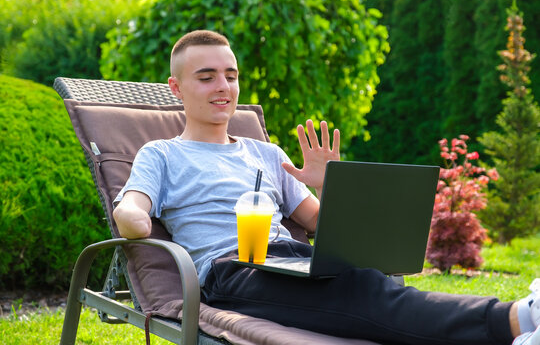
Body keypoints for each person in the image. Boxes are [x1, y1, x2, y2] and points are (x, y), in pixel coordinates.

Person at [113, 30, 540, 345]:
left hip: (295, 260)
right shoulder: (162, 154)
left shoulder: (266, 152)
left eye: (231, 75)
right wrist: (132, 217)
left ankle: (516, 321)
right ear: (177, 87)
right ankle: (516, 321)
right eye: (206, 77)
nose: (224, 87)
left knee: (368, 280)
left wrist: (328, 185)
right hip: (233, 271)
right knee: (365, 294)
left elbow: (320, 222)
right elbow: (132, 210)